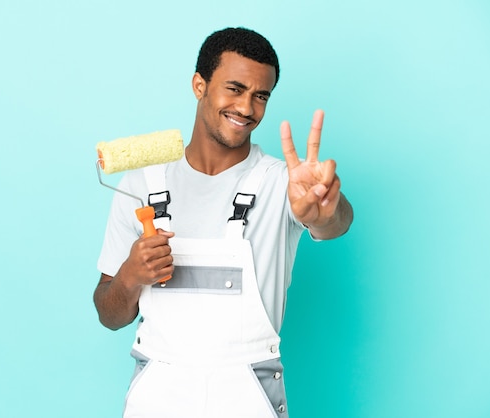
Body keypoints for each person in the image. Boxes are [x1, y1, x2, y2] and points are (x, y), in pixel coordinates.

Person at [94, 27, 353, 418]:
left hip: (246, 394)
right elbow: (108, 314)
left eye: (260, 95)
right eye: (234, 88)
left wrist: (327, 209)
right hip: (157, 395)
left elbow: (336, 224)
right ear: (199, 85)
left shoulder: (283, 183)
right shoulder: (141, 185)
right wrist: (130, 275)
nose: (248, 108)